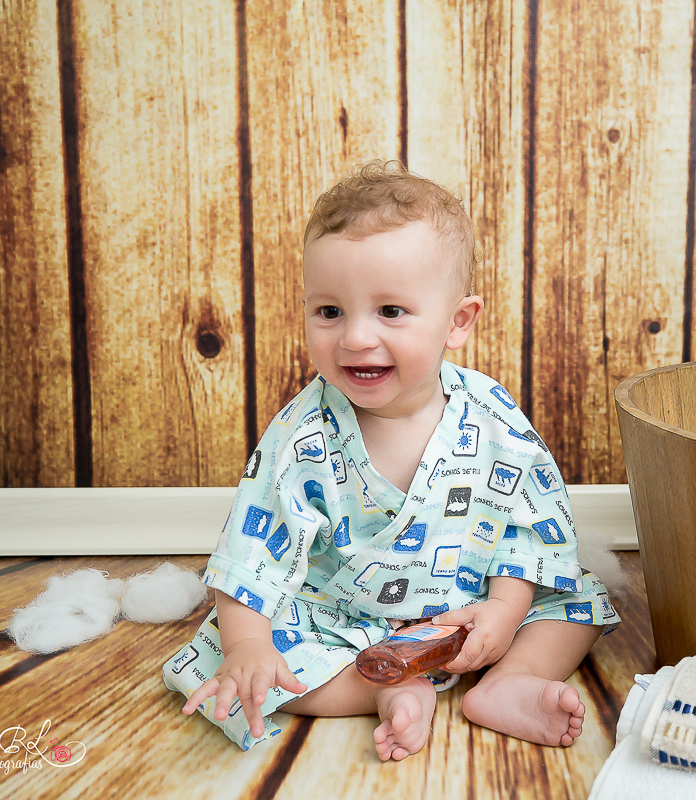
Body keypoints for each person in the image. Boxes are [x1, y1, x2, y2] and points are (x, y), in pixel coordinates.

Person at [162, 160, 620, 761]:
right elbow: (256, 547)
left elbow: (528, 526)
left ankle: (510, 680)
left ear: (458, 321)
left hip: (471, 610)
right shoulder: (303, 433)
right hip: (343, 617)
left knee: (576, 605)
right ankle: (390, 684)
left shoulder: (490, 415)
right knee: (241, 660)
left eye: (391, 312)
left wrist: (505, 612)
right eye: (329, 312)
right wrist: (249, 645)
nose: (354, 337)